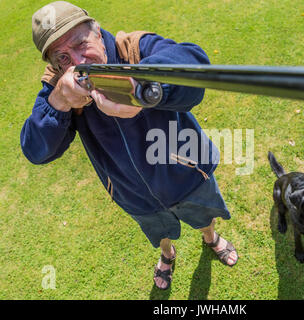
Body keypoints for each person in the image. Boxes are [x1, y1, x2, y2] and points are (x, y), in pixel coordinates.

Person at [21, 1, 238, 290]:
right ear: (53, 64)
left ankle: (210, 239)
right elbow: (36, 151)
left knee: (203, 216)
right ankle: (167, 254)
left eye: (80, 44)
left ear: (96, 31)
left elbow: (195, 64)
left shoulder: (133, 48)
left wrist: (142, 86)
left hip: (188, 175)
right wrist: (59, 102)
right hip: (133, 194)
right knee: (158, 230)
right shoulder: (60, 86)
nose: (78, 62)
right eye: (63, 57)